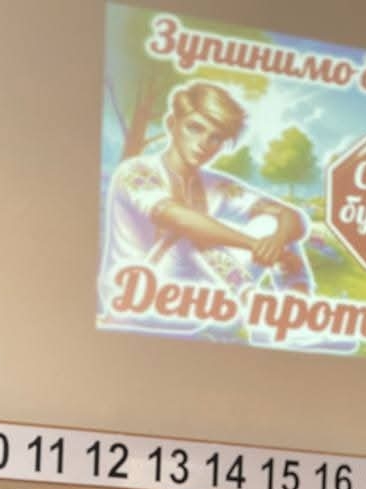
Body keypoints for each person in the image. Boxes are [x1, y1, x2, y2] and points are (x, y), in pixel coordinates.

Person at [98, 80, 311, 328]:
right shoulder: (135, 170)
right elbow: (178, 218)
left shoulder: (217, 185)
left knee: (272, 223)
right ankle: (247, 295)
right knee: (191, 230)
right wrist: (255, 246)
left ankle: (296, 312)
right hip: (136, 302)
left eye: (215, 138)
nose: (203, 143)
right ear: (172, 124)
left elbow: (292, 216)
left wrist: (277, 242)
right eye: (195, 128)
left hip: (193, 305)